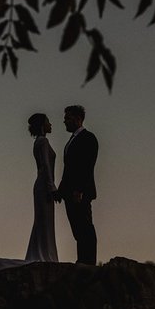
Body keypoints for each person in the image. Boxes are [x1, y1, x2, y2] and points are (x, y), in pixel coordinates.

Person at [0, 113, 59, 275]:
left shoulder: (39, 142)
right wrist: (52, 187)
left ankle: (44, 253)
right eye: (48, 122)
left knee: (43, 222)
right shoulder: (43, 141)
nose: (51, 124)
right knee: (43, 222)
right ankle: (44, 255)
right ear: (42, 125)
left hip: (42, 186)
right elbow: (46, 167)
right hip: (44, 186)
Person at [56, 104, 98, 265]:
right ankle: (82, 259)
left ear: (78, 118)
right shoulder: (72, 140)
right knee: (77, 228)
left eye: (68, 118)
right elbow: (69, 169)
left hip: (80, 192)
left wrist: (79, 189)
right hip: (69, 192)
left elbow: (87, 165)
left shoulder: (88, 138)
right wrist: (61, 191)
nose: (65, 121)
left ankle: (88, 261)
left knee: (85, 226)